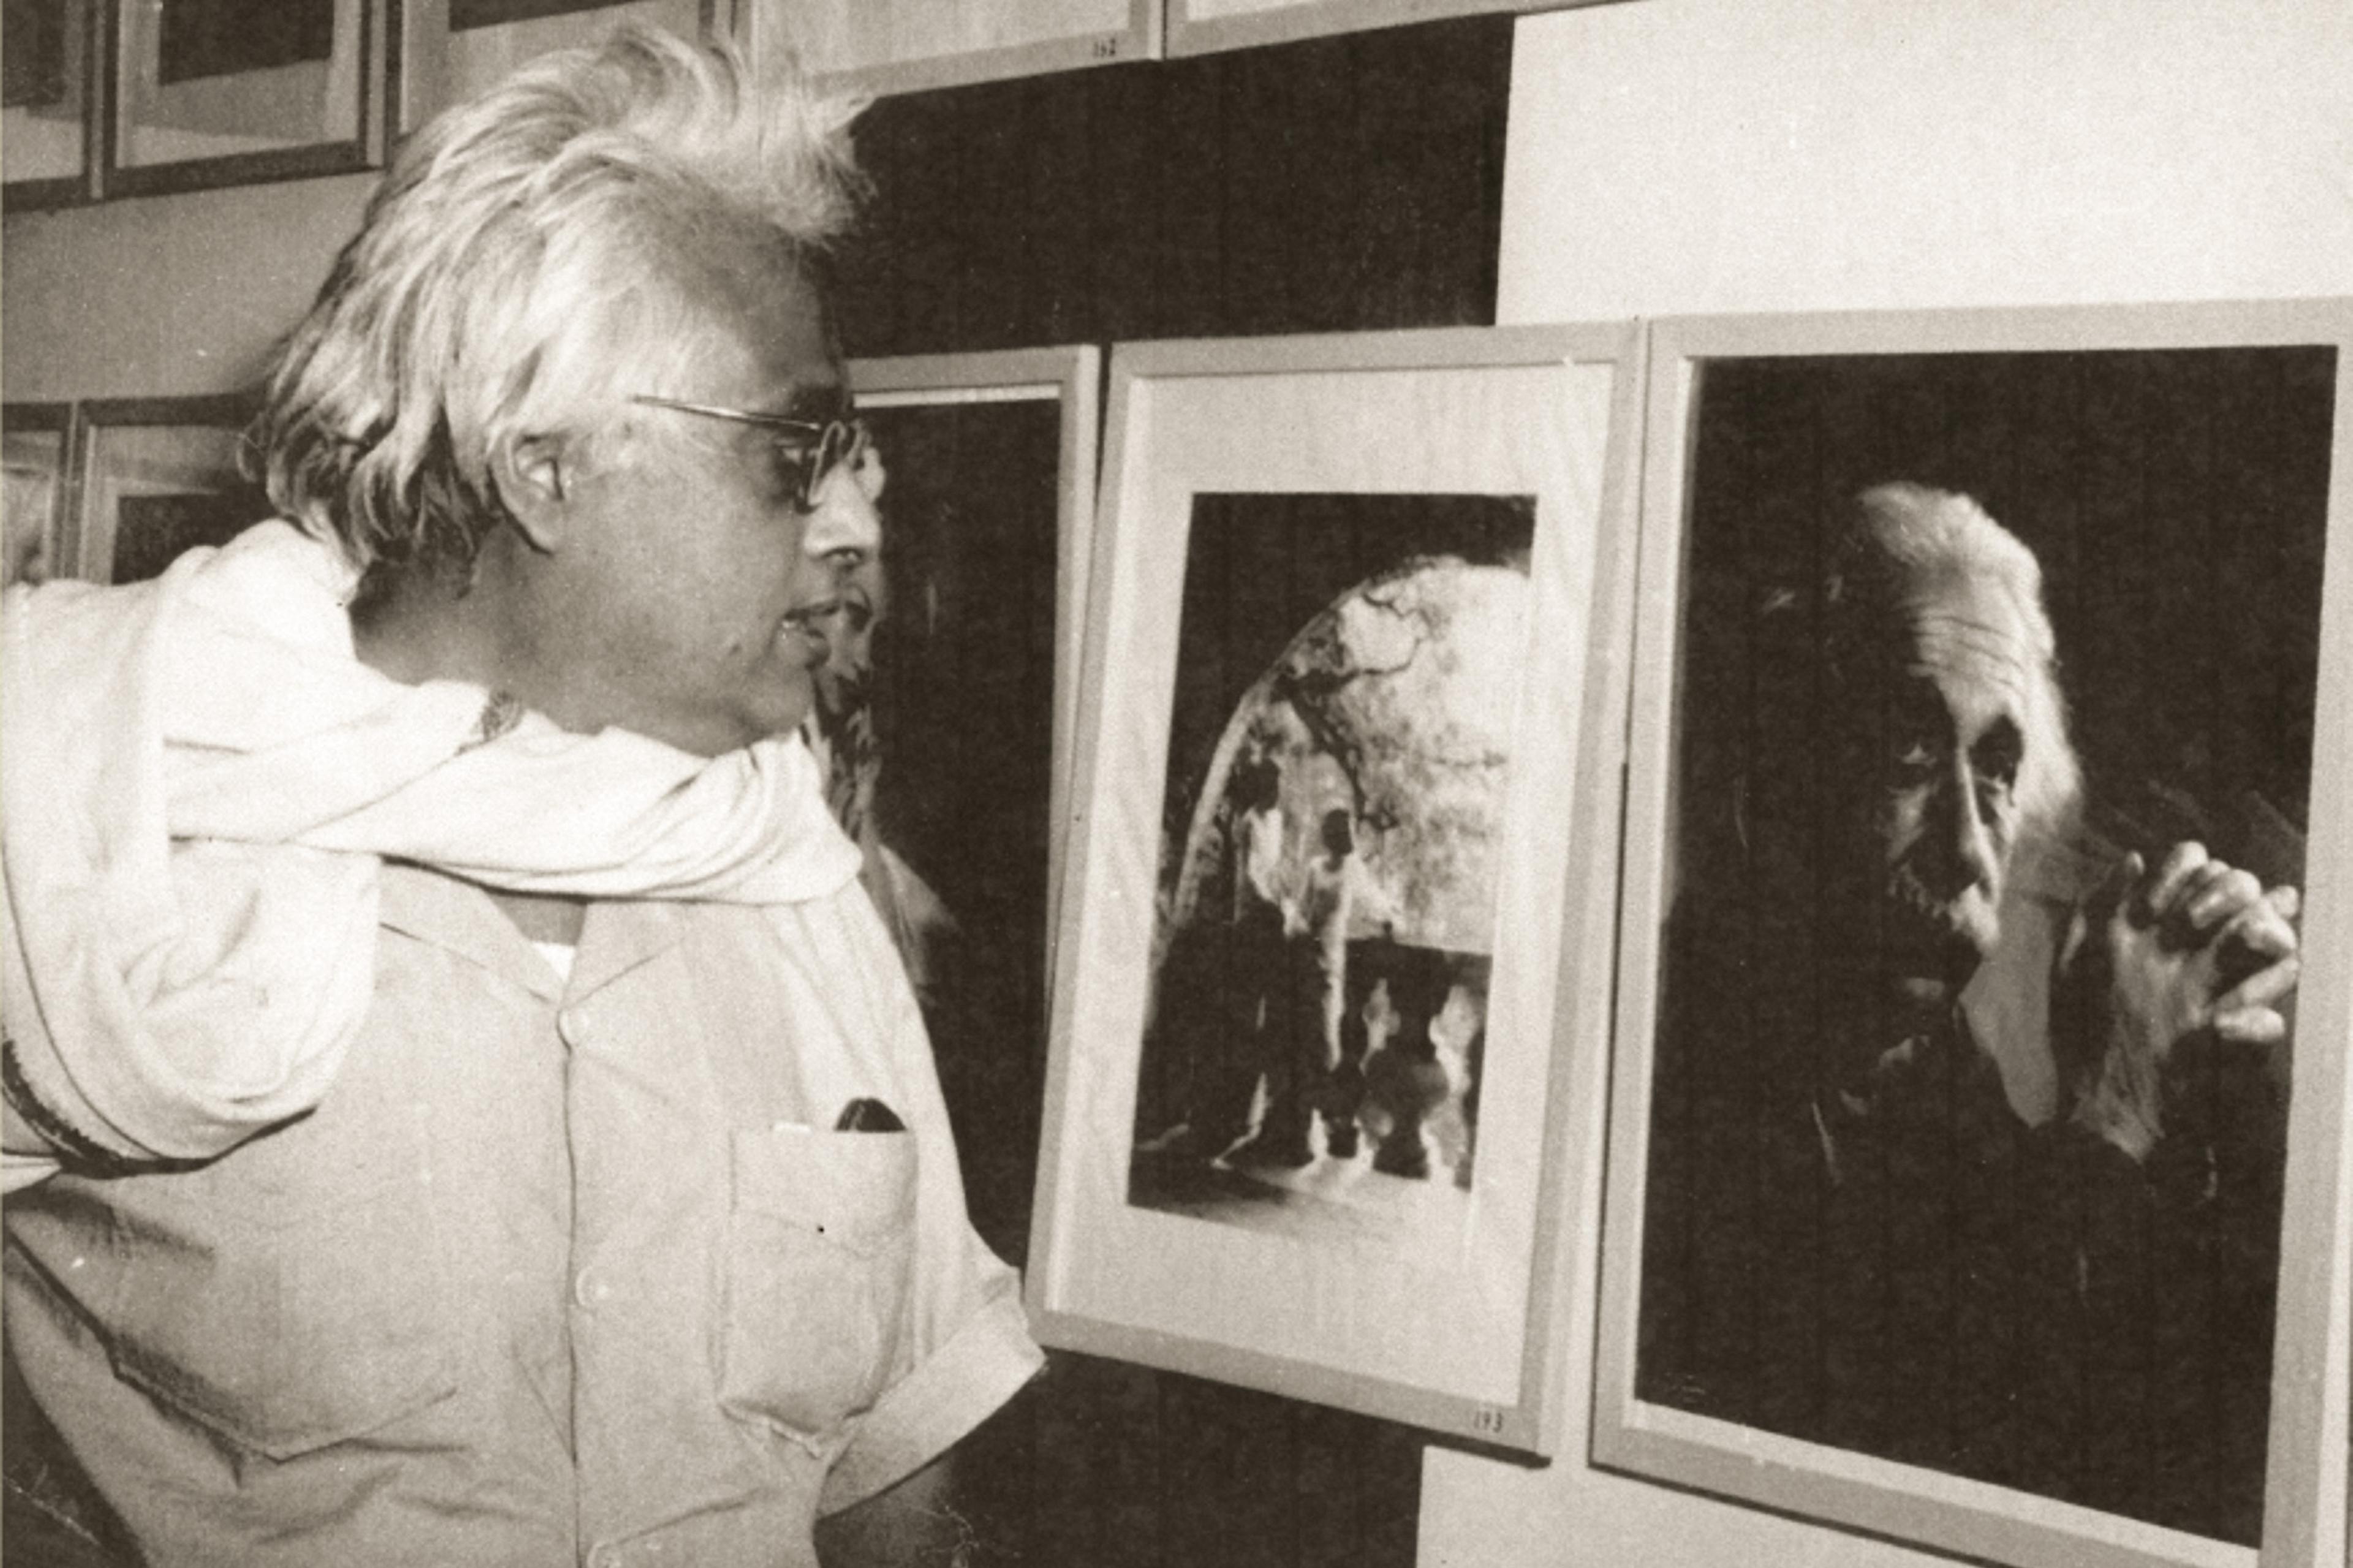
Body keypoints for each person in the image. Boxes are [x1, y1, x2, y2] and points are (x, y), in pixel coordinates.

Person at [0, 27, 1040, 1567]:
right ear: (546, 468)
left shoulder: (788, 867)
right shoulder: (91, 813)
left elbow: (904, 1465)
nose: (850, 518)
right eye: (794, 452)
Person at [1637, 483, 2300, 1542]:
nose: (1965, 850)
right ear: (1766, 788)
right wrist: (2118, 1102)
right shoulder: (1664, 1070)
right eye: (1906, 760)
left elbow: (2132, 1447)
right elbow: (1938, 1464)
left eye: (1997, 774)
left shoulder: (1931, 1066)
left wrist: (2197, 1085)